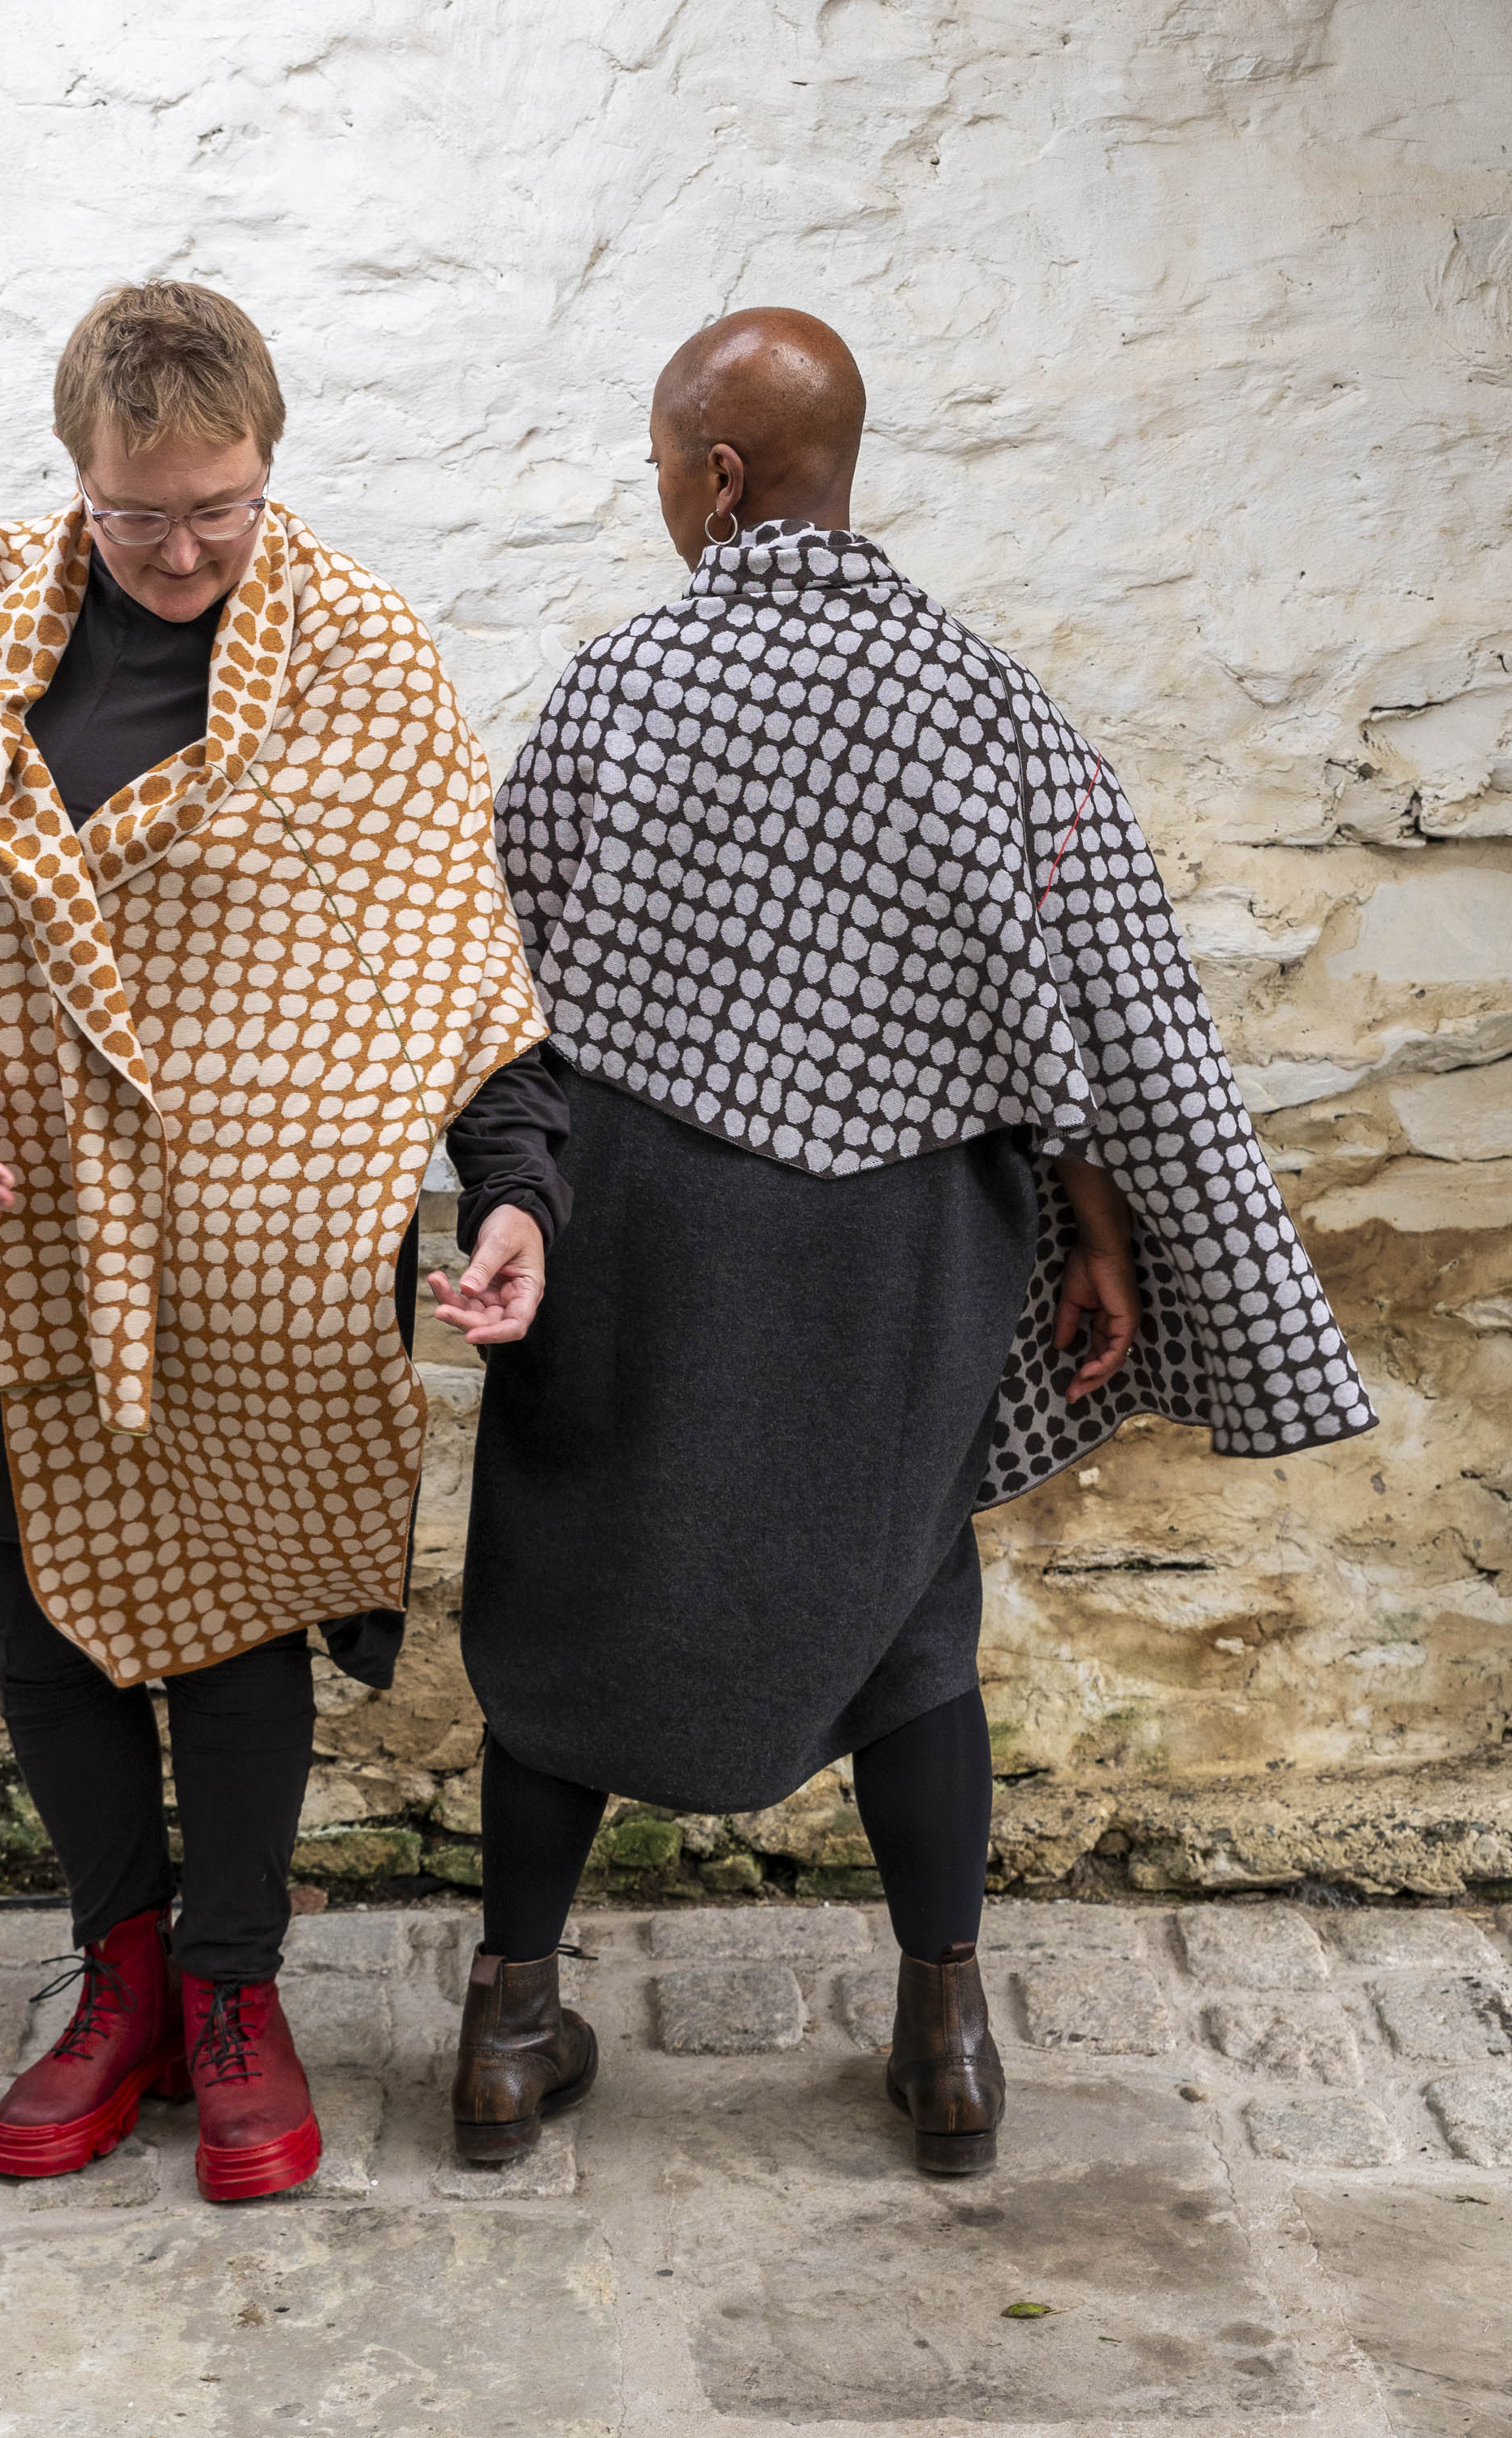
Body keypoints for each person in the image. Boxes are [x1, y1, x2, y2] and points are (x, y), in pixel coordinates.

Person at [439, 308, 1375, 2176]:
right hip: (900, 1254)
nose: (658, 497)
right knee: (906, 1626)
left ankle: (512, 2033)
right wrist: (1101, 1219)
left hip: (641, 1235)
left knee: (571, 1596)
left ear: (716, 471)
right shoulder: (988, 702)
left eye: (657, 464)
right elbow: (1098, 1000)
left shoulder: (618, 689)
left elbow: (497, 979)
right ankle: (948, 2044)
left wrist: (502, 1198)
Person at [0, 280, 567, 2201]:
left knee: (235, 1621)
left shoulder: (364, 662)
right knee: (42, 1617)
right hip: (1, 1218)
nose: (189, 547)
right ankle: (118, 1980)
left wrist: (520, 1193)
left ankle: (235, 1992)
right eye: (145, 514)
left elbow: (453, 975)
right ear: (79, 477)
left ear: (266, 463)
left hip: (262, 1248)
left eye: (223, 504)